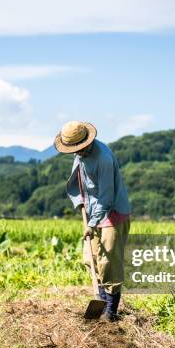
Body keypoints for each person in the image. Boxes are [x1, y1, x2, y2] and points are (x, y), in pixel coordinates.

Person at [54, 121, 131, 321]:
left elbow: (106, 197)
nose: (76, 152)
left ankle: (111, 311)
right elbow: (76, 179)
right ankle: (101, 301)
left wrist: (91, 223)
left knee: (109, 263)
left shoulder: (103, 158)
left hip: (111, 212)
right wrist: (79, 202)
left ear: (87, 142)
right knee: (91, 258)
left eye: (78, 148)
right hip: (91, 211)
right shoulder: (79, 154)